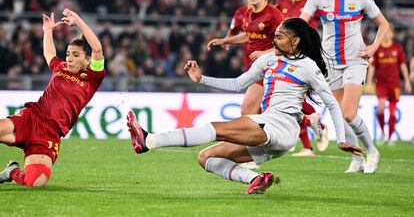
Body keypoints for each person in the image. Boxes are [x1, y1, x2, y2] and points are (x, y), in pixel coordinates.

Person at [126, 18, 363, 194]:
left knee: (216, 127)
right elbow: (239, 83)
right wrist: (201, 79)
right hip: (273, 133)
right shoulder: (268, 60)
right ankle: (255, 179)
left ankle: (149, 141)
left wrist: (341, 138)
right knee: (207, 158)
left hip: (279, 126)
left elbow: (332, 102)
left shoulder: (308, 66)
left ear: (296, 41)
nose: (274, 39)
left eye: (280, 36)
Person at [300, 0, 389, 173]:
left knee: (348, 113)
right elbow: (302, 23)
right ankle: (357, 158)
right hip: (330, 61)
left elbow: (383, 24)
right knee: (339, 114)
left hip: (355, 60)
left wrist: (374, 46)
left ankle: (372, 152)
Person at [0, 9, 106, 187]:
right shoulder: (61, 68)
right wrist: (48, 30)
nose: (69, 58)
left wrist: (78, 20)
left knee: (35, 181)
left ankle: (12, 172)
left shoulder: (93, 78)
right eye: (68, 54)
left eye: (75, 55)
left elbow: (97, 48)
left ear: (88, 60)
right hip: (32, 118)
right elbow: (49, 53)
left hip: (50, 134)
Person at [207, 0, 285, 116]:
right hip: (256, 68)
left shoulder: (274, 16)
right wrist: (225, 40)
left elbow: (287, 45)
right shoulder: (249, 13)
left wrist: (264, 53)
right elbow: (250, 35)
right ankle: (310, 120)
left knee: (247, 111)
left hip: (271, 69)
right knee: (263, 113)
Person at [278, 0, 328, 157]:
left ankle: (311, 137)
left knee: (295, 99)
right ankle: (311, 138)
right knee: (294, 100)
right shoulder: (281, 3)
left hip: (306, 56)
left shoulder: (311, 1)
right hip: (286, 56)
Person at [366, 25, 411, 145]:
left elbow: (402, 65)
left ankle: (390, 137)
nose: (386, 34)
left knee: (392, 112)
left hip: (394, 84)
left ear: (393, 34)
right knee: (380, 109)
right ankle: (382, 132)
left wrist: (406, 81)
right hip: (381, 83)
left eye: (389, 32)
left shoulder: (397, 48)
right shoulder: (378, 48)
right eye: (384, 32)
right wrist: (369, 82)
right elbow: (372, 67)